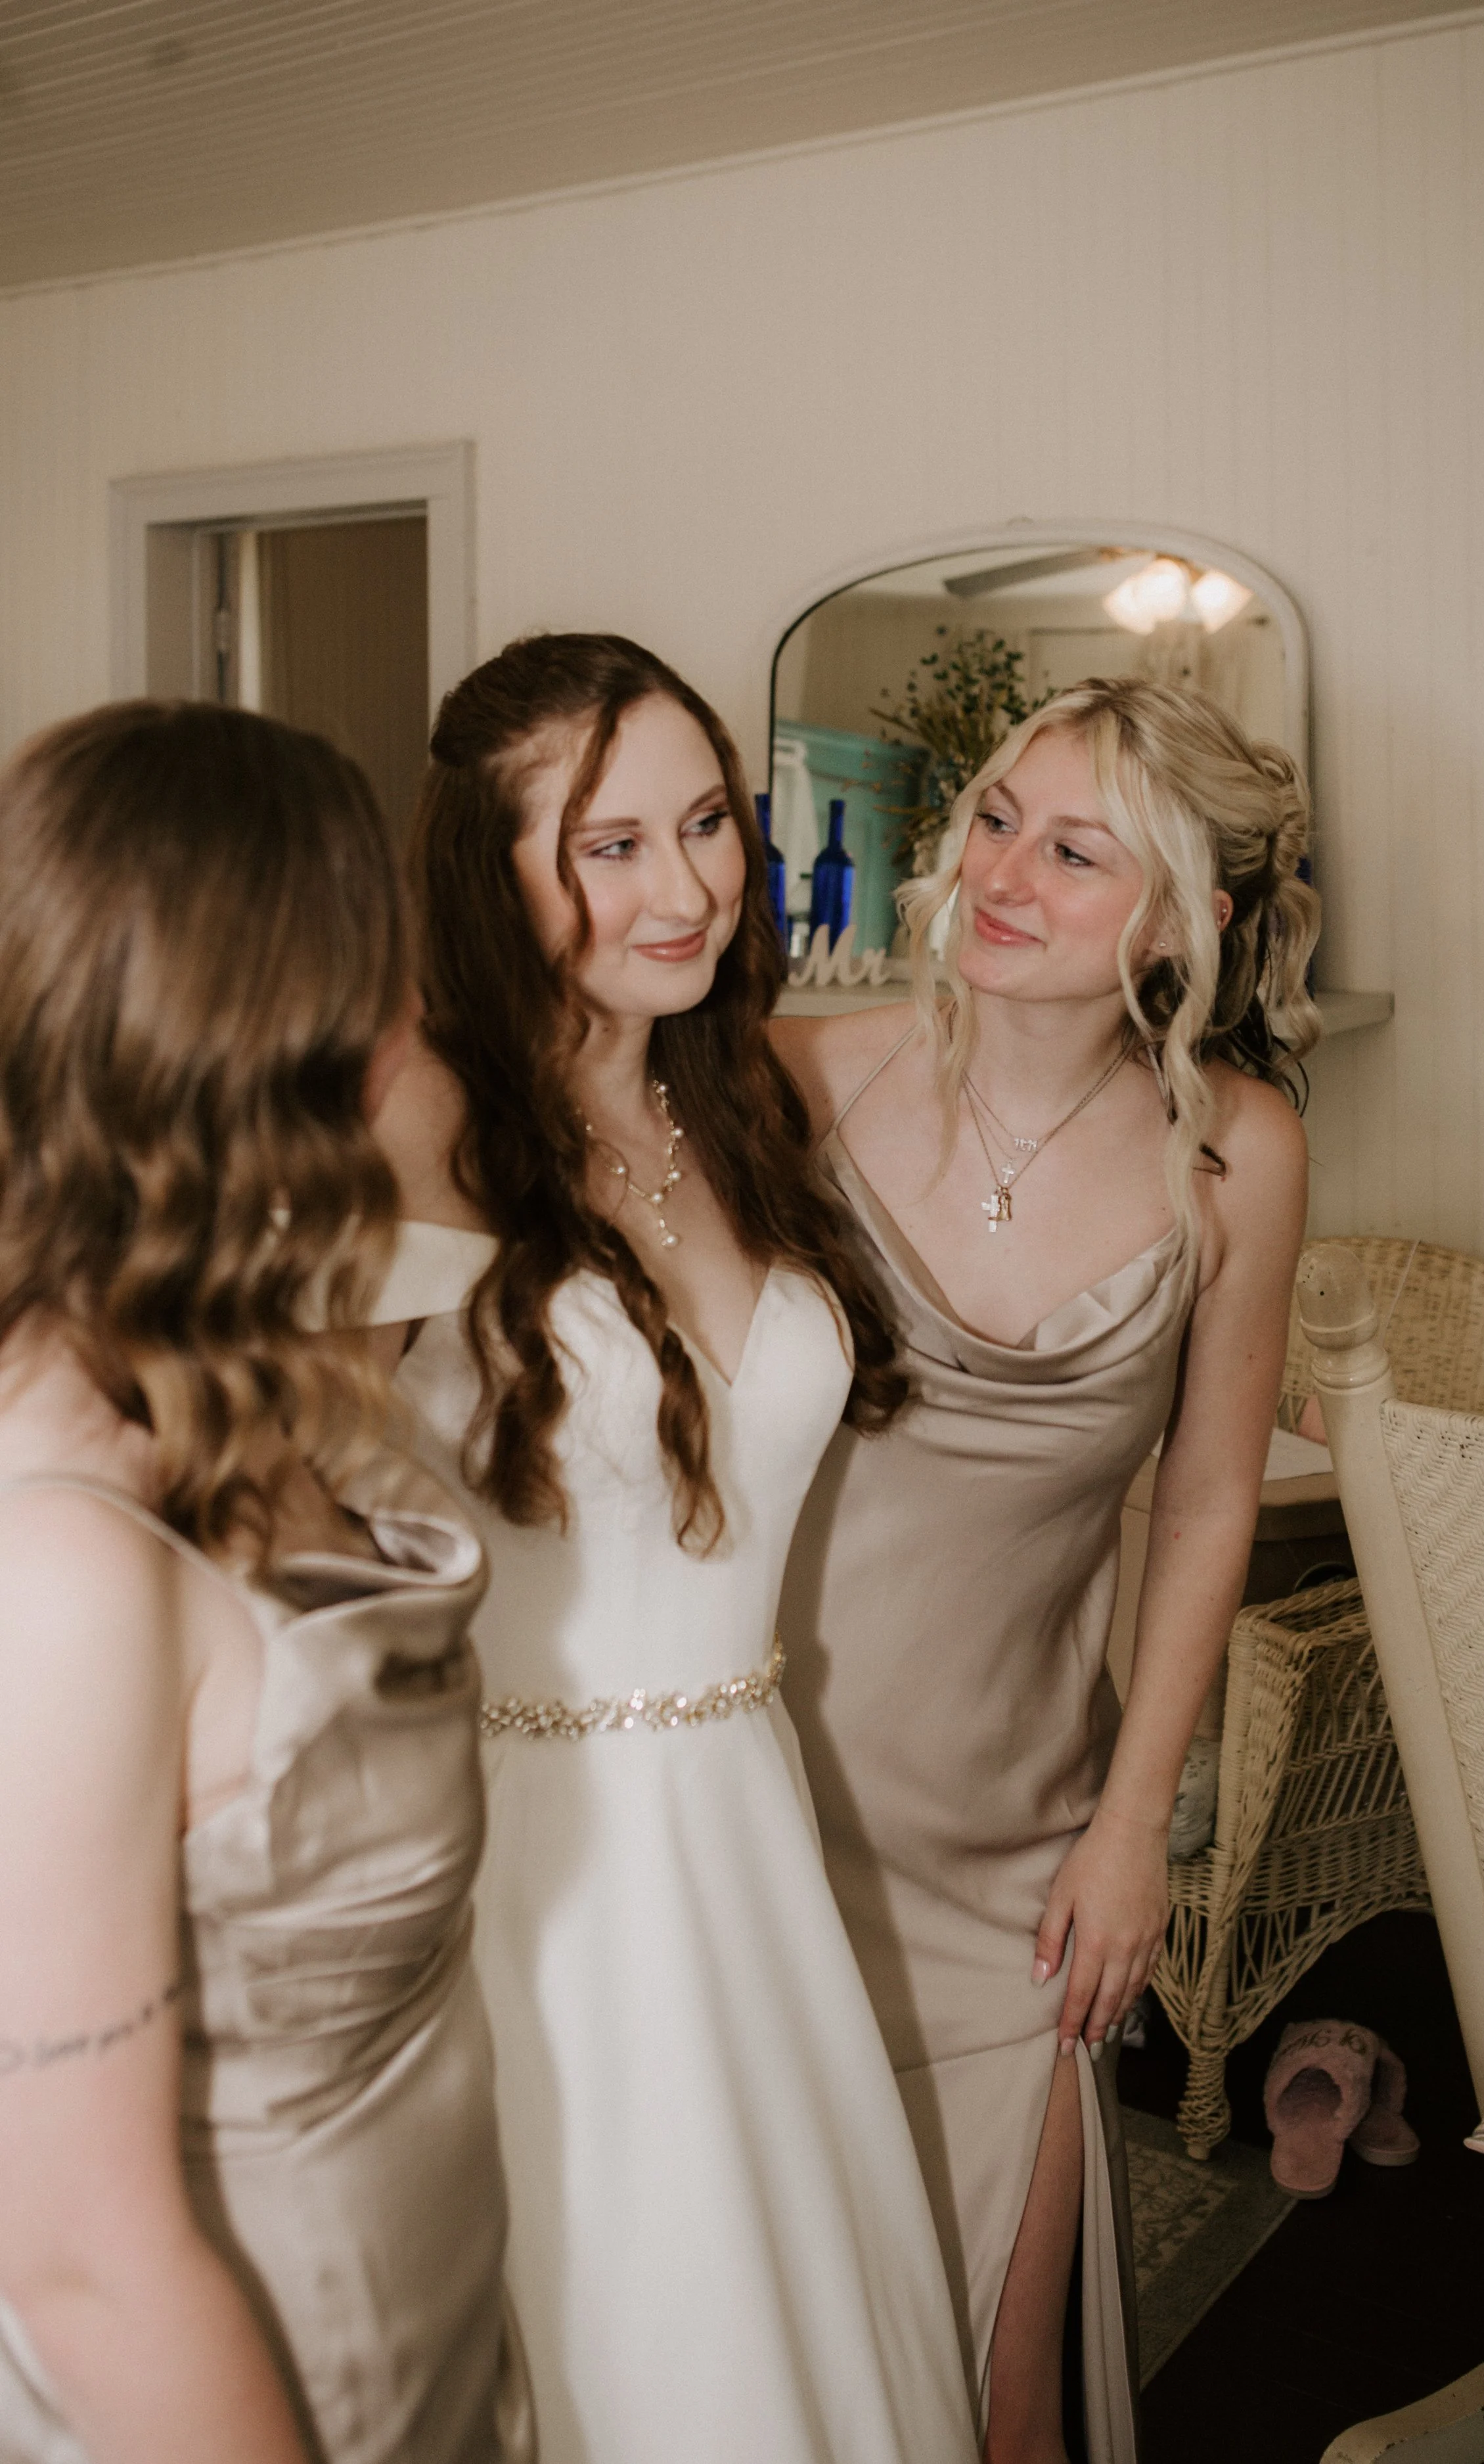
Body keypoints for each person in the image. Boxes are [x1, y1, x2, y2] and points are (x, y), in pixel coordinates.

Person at [370, 633, 978, 2464]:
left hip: (746, 1820)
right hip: (531, 1870)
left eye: (707, 822)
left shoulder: (737, 1097)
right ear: (490, 874)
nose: (688, 887)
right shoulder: (423, 1116)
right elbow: (244, 1461)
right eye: (610, 845)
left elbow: (1022, 1046)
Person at [773, 677, 1318, 2464]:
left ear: (1178, 920)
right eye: (997, 819)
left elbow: (1208, 1500)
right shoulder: (795, 1076)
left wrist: (1131, 1824)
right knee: (770, 2357)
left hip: (1015, 1850)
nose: (1001, 874)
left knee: (1003, 2400)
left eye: (1076, 852)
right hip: (755, 1808)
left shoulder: (1237, 1152)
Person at [0, 702, 531, 2464]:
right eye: (384, 973)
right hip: (267, 2387)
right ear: (296, 1042)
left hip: (424, 2320)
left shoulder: (219, 1361)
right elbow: (80, 2262)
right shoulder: (63, 1562)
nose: (415, 1019)